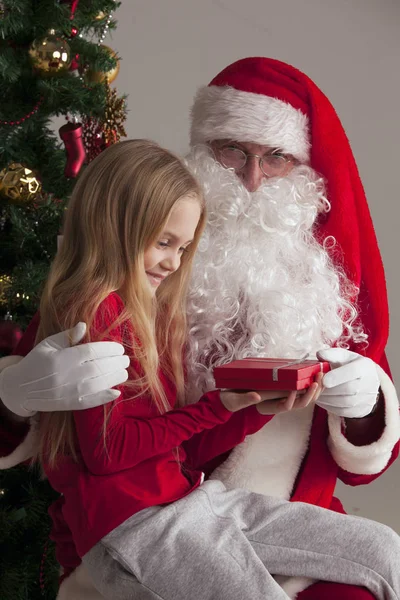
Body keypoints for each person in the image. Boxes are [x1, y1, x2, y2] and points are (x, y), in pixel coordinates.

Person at [0, 58, 399, 600]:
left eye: (277, 157)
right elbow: (103, 448)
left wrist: (360, 405)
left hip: (233, 501)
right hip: (145, 523)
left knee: (384, 552)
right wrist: (15, 393)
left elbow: (365, 456)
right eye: (233, 150)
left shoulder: (320, 281)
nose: (251, 179)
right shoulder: (109, 303)